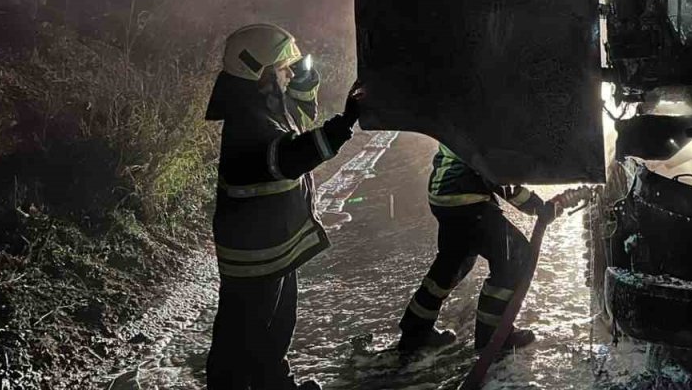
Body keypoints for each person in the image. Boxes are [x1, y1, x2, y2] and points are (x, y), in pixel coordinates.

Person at [203, 23, 364, 390]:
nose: (288, 73)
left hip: (270, 247)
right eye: (282, 69)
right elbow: (292, 156)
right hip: (254, 254)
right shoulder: (248, 122)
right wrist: (347, 121)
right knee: (240, 340)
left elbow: (298, 119)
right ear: (257, 72)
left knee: (276, 326)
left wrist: (304, 82)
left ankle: (275, 382)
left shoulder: (261, 105)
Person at [397, 142, 559, 355]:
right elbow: (497, 175)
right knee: (516, 255)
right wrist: (537, 206)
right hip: (467, 201)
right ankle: (492, 337)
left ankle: (415, 331)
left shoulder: (462, 117)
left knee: (453, 263)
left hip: (444, 198)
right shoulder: (483, 123)